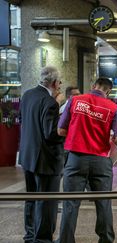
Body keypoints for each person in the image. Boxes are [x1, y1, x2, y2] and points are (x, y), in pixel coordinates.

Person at [56, 78, 117, 243]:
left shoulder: (75, 100)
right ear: (108, 91)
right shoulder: (113, 108)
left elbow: (60, 130)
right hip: (101, 161)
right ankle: (106, 239)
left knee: (70, 203)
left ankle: (65, 240)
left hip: (75, 159)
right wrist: (106, 140)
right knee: (103, 203)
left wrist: (77, 135)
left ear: (93, 86)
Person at [18, 66, 65, 242]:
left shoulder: (28, 95)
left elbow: (23, 121)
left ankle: (30, 235)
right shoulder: (50, 101)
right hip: (46, 160)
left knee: (31, 198)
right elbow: (51, 133)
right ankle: (43, 239)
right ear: (54, 83)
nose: (60, 86)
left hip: (27, 156)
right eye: (59, 82)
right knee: (47, 201)